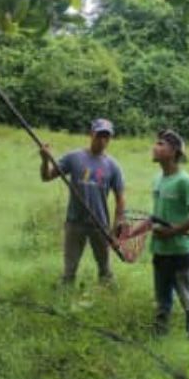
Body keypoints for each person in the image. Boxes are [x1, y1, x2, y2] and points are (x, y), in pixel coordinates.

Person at [39, 118, 125, 286]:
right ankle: (65, 295)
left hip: (100, 224)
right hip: (75, 222)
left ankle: (109, 297)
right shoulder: (74, 157)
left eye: (106, 137)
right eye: (99, 135)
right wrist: (45, 160)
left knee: (105, 270)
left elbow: (120, 198)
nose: (102, 140)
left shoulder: (113, 165)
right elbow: (47, 177)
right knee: (69, 271)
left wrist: (116, 228)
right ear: (91, 133)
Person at [150, 129, 189, 339]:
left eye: (160, 144)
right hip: (160, 250)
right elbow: (157, 215)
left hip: (181, 252)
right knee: (162, 300)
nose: (155, 148)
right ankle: (159, 336)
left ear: (173, 152)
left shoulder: (185, 181)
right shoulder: (158, 179)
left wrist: (173, 231)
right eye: (155, 143)